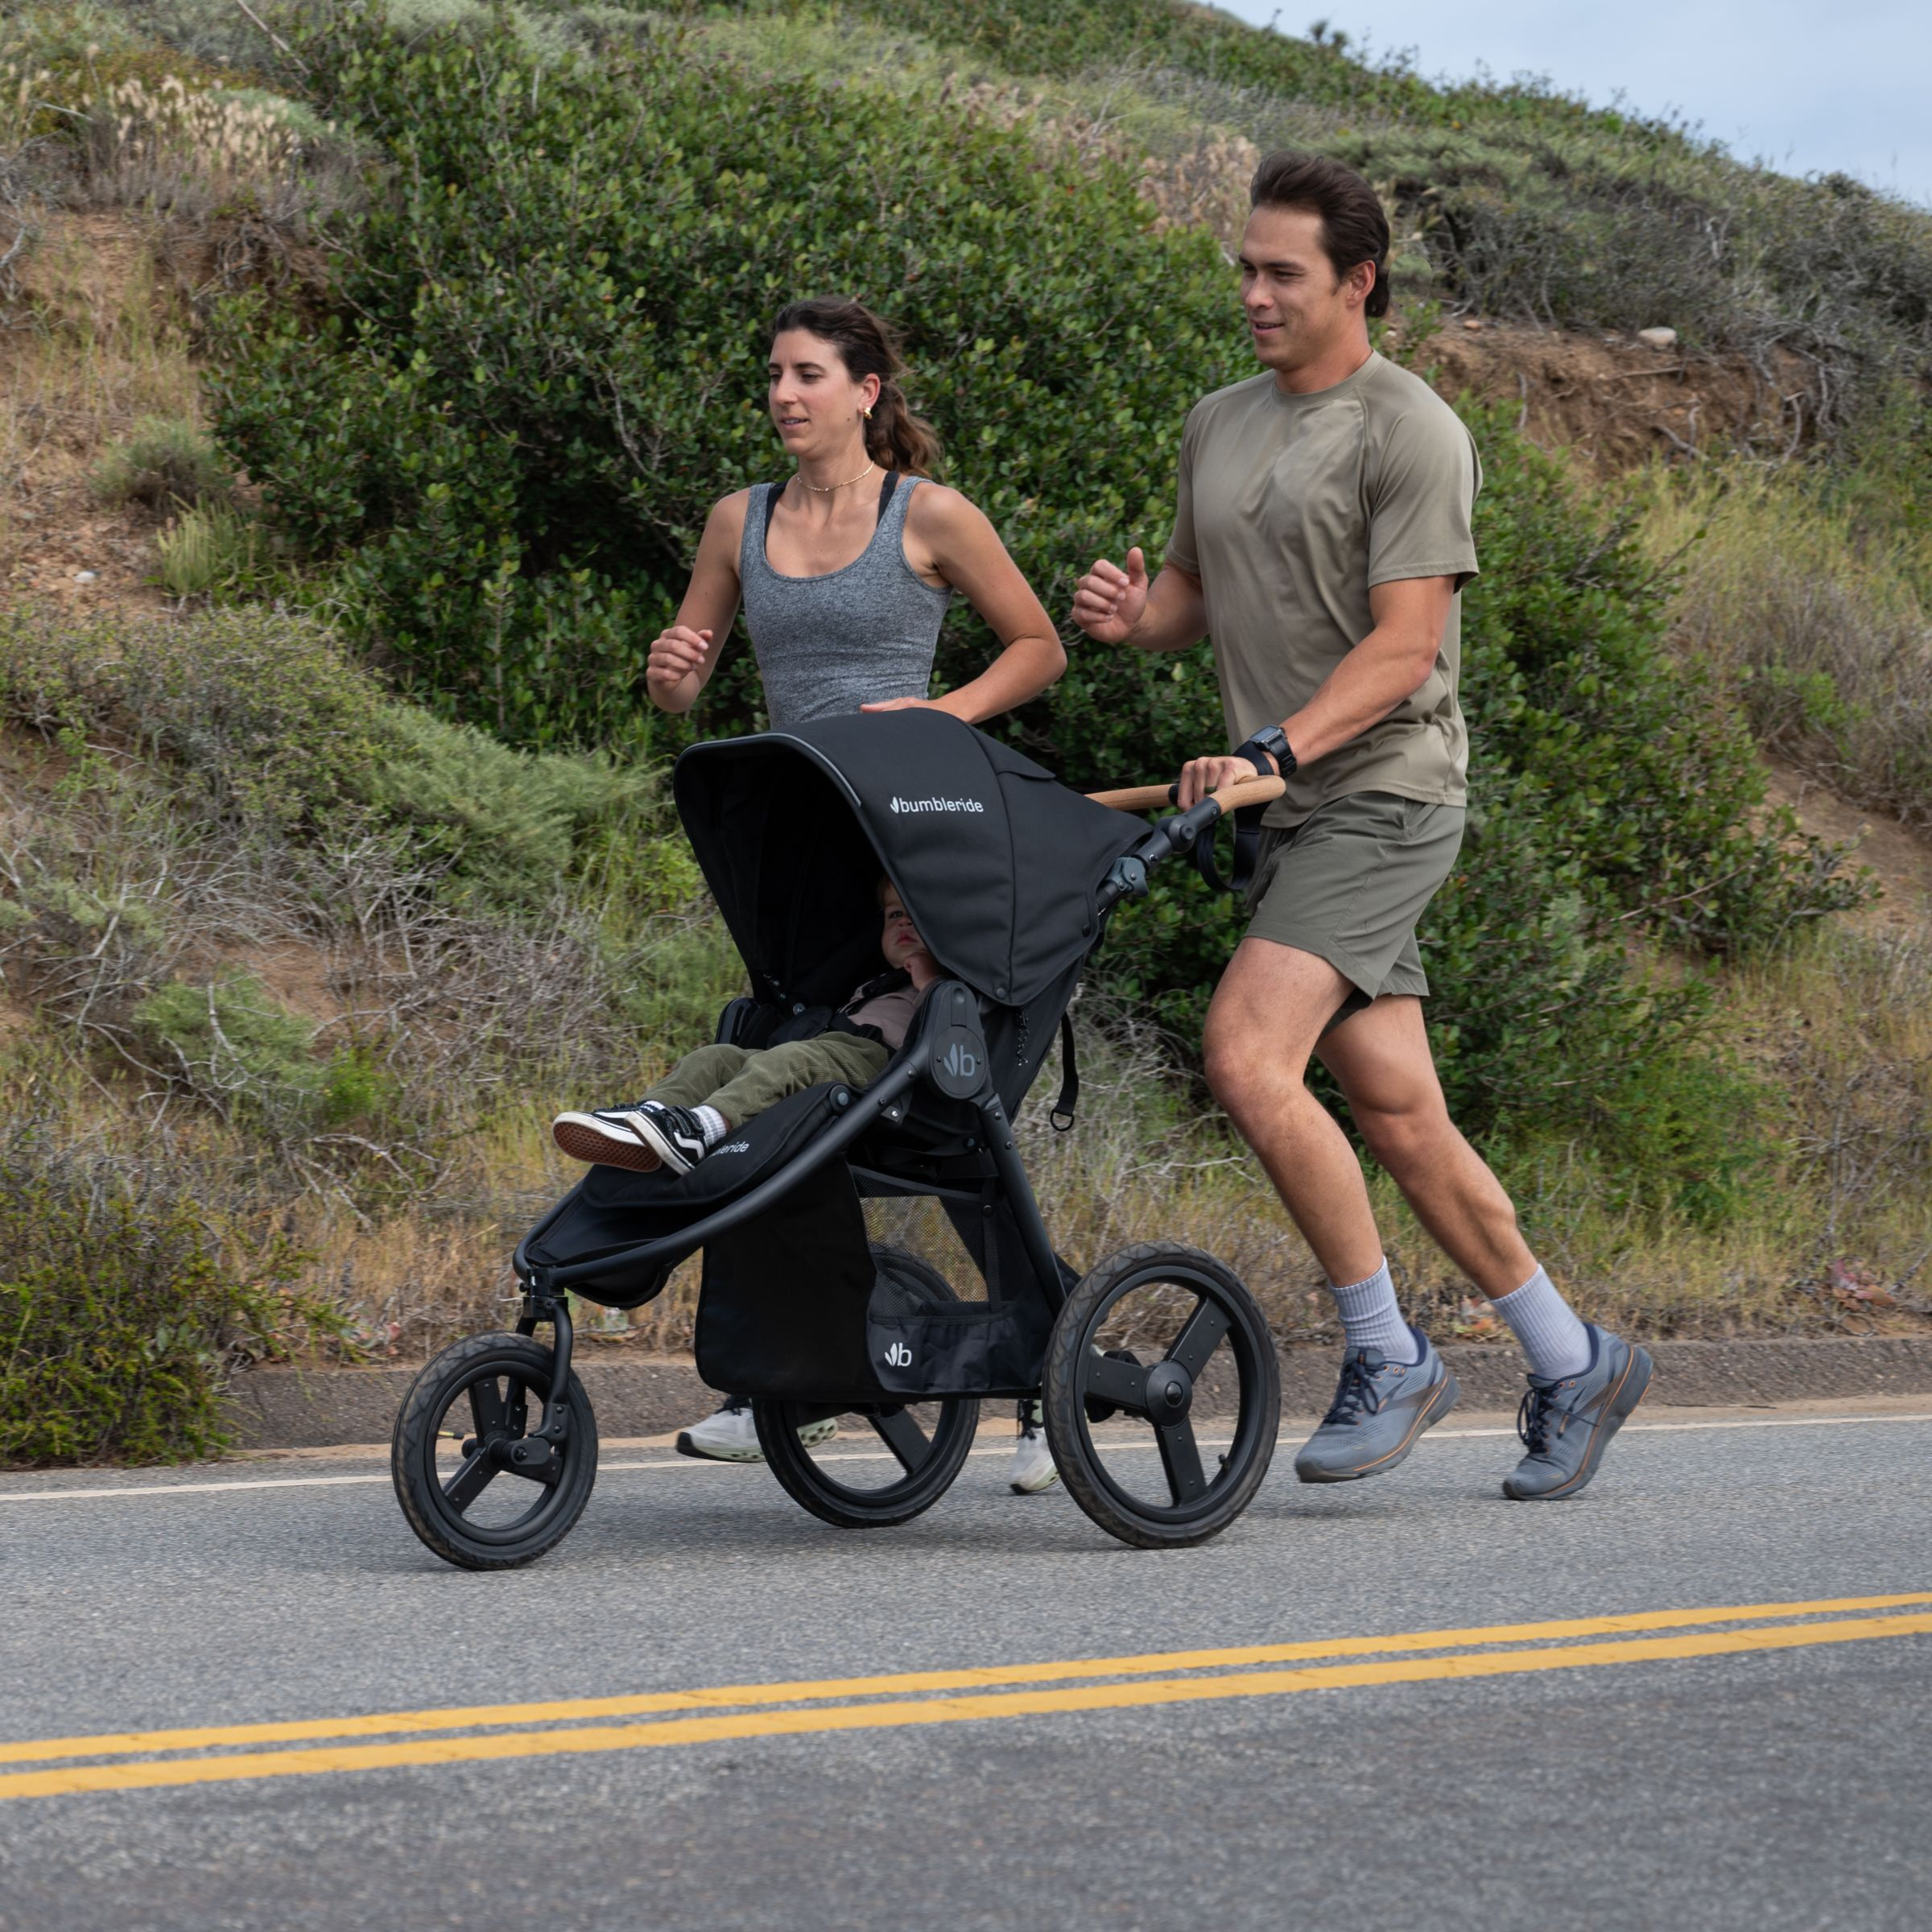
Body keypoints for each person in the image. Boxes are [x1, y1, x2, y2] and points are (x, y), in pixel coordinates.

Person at [1071, 152, 1652, 1501]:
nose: (1256, 295)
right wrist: (1128, 621)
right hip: (1283, 799)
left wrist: (1274, 748)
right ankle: (1575, 1360)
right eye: (1247, 270)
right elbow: (1194, 592)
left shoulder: (1412, 431)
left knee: (1244, 1050)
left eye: (1283, 274)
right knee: (1393, 1106)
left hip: (1383, 791)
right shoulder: (1220, 420)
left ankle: (1388, 1354)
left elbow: (1402, 652)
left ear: (1358, 282)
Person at [643, 295, 1067, 1490]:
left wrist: (936, 720)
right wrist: (671, 678)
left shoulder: (926, 515)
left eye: (809, 375)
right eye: (774, 374)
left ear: (866, 391)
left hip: (917, 844)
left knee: (951, 1104)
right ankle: (780, 1379)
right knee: (787, 1083)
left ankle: (1044, 1388)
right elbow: (687, 674)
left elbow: (1038, 647)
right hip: (801, 848)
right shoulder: (741, 519)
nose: (784, 394)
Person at [554, 882, 938, 1174]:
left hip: (879, 1065)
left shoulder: (947, 984)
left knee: (790, 1061)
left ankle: (702, 1129)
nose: (903, 921)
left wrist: (929, 981)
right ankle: (652, 1117)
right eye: (893, 915)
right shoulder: (871, 982)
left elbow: (947, 1030)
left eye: (915, 914)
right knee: (716, 1058)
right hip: (825, 1052)